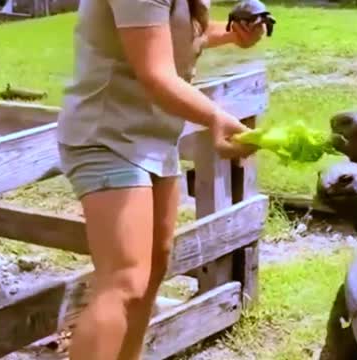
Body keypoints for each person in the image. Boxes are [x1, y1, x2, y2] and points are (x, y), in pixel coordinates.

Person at [55, 0, 265, 358]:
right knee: (125, 281)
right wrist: (215, 118)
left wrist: (231, 35)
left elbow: (171, 35)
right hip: (106, 136)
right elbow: (155, 71)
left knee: (152, 271)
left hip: (152, 138)